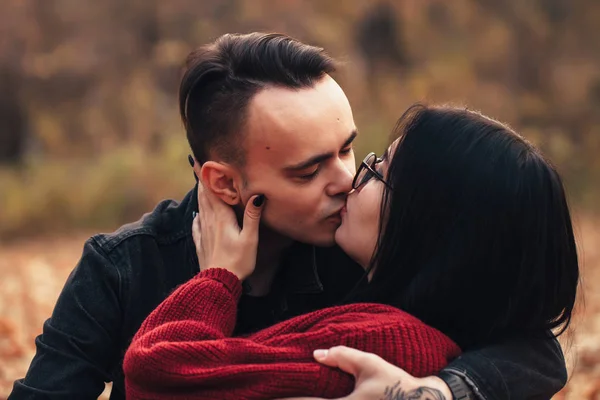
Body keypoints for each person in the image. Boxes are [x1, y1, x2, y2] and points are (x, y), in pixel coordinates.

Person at [9, 33, 569, 400]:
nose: (347, 180)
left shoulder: (366, 252)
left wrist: (440, 393)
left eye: (349, 149)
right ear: (225, 183)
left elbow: (534, 349)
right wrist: (216, 283)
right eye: (309, 171)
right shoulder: (125, 269)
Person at [123, 104, 579, 399]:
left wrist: (218, 278)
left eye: (376, 170)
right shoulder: (392, 303)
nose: (348, 180)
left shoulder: (379, 344)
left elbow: (155, 373)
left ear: (423, 225)